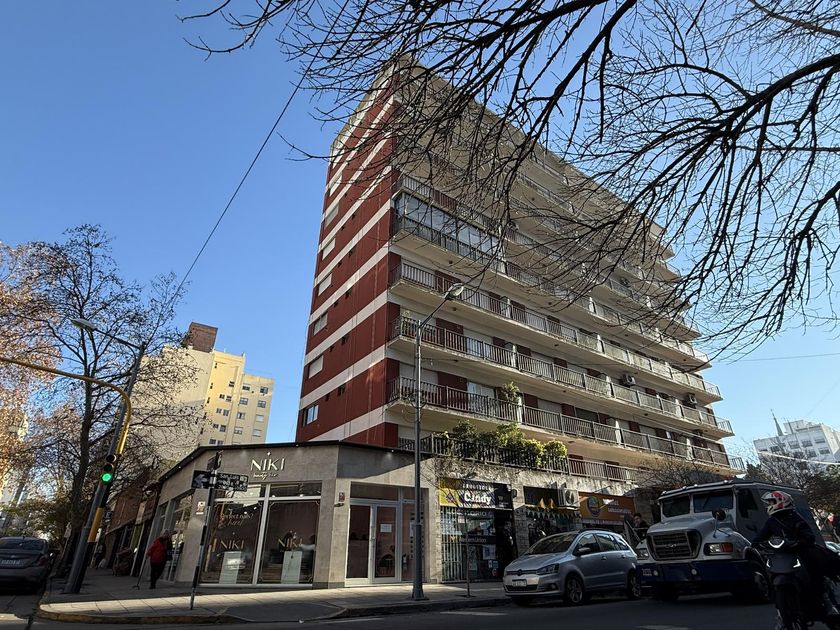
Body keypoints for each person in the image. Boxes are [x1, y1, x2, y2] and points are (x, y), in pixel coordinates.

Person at [753, 490, 839, 618]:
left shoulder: (795, 517)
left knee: (814, 570)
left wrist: (801, 541)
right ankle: (781, 616)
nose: (769, 505)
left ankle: (828, 602)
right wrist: (756, 543)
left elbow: (808, 534)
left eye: (771, 502)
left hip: (800, 552)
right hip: (782, 554)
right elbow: (761, 536)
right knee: (770, 572)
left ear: (781, 502)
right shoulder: (772, 521)